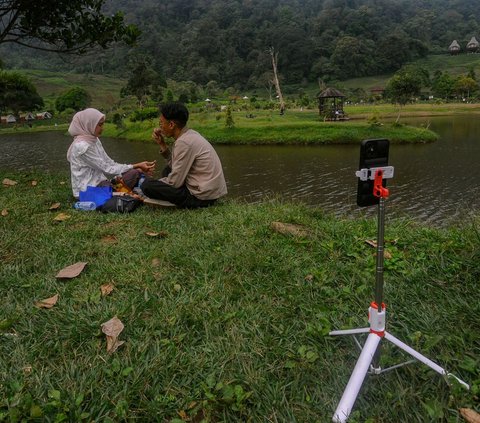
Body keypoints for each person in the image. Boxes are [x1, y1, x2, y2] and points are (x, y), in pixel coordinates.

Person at [141, 102, 227, 208]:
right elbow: (174, 165)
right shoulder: (190, 135)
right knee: (167, 170)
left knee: (147, 185)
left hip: (201, 198)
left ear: (171, 125)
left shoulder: (184, 142)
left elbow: (174, 183)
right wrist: (162, 144)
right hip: (210, 193)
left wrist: (157, 183)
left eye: (161, 123)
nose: (160, 127)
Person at [67, 108, 156, 198]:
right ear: (88, 124)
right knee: (130, 188)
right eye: (100, 125)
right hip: (88, 191)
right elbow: (107, 168)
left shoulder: (94, 139)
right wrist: (136, 165)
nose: (103, 128)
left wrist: (135, 167)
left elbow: (109, 162)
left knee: (136, 172)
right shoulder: (82, 146)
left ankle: (128, 192)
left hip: (102, 184)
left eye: (103, 124)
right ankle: (127, 194)